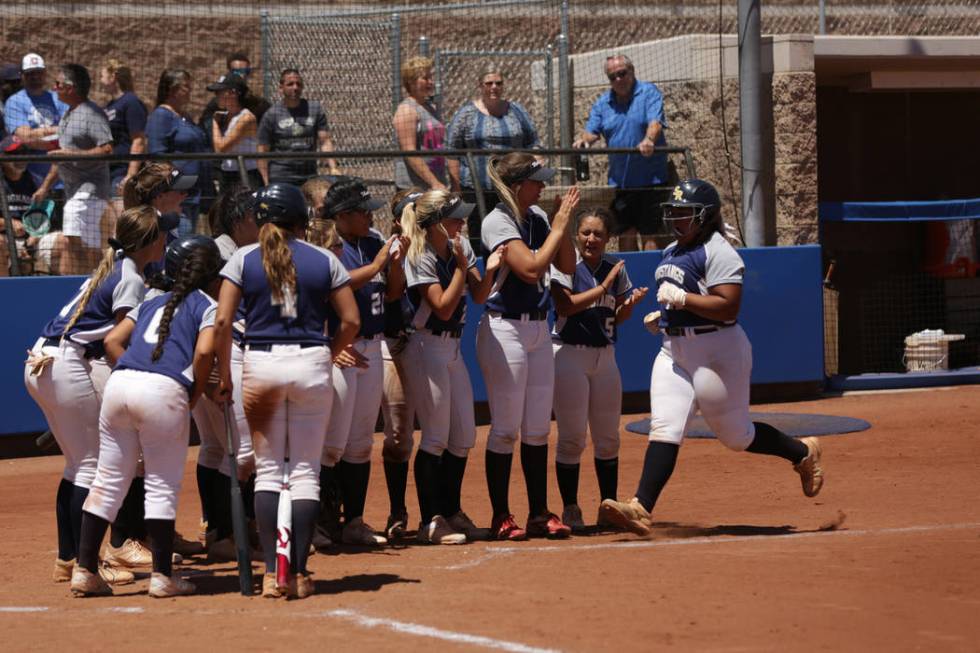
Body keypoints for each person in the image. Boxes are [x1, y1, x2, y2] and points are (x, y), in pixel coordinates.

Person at [599, 179, 825, 536]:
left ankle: (801, 452)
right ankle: (641, 506)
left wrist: (684, 302)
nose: (675, 220)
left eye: (683, 214)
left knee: (736, 436)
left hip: (718, 353)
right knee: (665, 425)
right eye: (672, 212)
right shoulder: (670, 250)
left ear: (704, 218)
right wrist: (667, 318)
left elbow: (727, 306)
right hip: (674, 351)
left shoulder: (720, 252)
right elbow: (682, 297)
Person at [214, 183, 359, 599]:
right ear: (300, 219)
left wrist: (225, 374)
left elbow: (223, 323)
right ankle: (296, 572)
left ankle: (269, 572)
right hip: (311, 361)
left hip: (260, 363)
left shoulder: (242, 258)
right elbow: (350, 322)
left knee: (269, 471)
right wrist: (328, 355)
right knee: (304, 473)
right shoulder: (324, 258)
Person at [70, 235, 222, 598]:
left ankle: (84, 570)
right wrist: (195, 392)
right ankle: (162, 577)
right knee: (161, 485)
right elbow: (203, 354)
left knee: (107, 481)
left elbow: (111, 342)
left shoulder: (152, 301)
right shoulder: (208, 305)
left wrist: (136, 374)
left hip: (121, 384)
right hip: (164, 391)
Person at [24, 205, 164, 591]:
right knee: (89, 467)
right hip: (65, 364)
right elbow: (117, 342)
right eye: (161, 233)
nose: (166, 238)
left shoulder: (115, 266)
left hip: (42, 361)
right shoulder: (131, 278)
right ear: (151, 242)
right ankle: (88, 563)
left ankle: (68, 560)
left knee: (76, 466)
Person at [476, 152, 578, 540]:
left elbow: (566, 266)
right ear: (517, 185)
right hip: (505, 330)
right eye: (537, 181)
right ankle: (501, 516)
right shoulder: (496, 220)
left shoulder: (536, 220)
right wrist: (559, 226)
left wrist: (559, 227)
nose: (543, 186)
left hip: (538, 328)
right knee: (505, 428)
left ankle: (540, 512)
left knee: (537, 428)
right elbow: (531, 268)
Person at [400, 190, 505, 544]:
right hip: (425, 346)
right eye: (455, 218)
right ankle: (431, 521)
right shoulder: (419, 255)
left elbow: (478, 295)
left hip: (452, 348)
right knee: (435, 437)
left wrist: (486, 271)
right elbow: (443, 307)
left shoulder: (461, 247)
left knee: (463, 437)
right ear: (433, 224)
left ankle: (451, 511)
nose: (462, 223)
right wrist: (462, 267)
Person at [319, 177, 407, 547]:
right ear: (342, 216)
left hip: (371, 347)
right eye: (362, 213)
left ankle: (353, 521)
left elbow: (393, 294)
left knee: (359, 443)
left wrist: (395, 264)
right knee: (332, 443)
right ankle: (322, 524)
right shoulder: (329, 248)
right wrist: (377, 265)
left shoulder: (373, 243)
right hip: (340, 349)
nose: (370, 218)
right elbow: (330, 287)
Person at [550, 207, 648, 532]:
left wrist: (628, 307)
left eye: (598, 234)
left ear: (608, 239)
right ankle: (570, 507)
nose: (591, 239)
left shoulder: (614, 269)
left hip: (605, 356)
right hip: (569, 354)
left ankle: (609, 506)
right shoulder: (567, 264)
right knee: (573, 438)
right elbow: (565, 306)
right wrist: (604, 287)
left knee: (608, 438)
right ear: (576, 235)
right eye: (585, 233)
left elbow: (615, 317)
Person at [573, 54, 671, 252]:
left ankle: (651, 276)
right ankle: (627, 278)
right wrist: (583, 140)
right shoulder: (603, 103)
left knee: (649, 233)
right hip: (622, 183)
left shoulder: (648, 93)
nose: (618, 80)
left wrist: (649, 140)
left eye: (622, 73)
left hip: (650, 181)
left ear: (632, 71)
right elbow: (592, 131)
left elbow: (655, 122)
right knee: (625, 232)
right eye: (612, 77)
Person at [32, 64, 113, 276]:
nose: (54, 87)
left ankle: (70, 284)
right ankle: (98, 283)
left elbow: (107, 148)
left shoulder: (91, 113)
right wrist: (44, 188)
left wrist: (71, 155)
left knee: (72, 229)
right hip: (74, 190)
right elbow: (61, 159)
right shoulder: (68, 114)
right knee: (91, 244)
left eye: (58, 84)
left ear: (70, 88)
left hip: (92, 190)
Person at [446, 67, 540, 243]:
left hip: (512, 185)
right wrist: (456, 187)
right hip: (477, 187)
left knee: (513, 226)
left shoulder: (516, 111)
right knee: (479, 230)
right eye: (489, 83)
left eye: (498, 83)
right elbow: (452, 151)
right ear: (480, 86)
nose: (494, 87)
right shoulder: (466, 114)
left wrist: (534, 173)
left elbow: (533, 143)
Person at [146, 69, 209, 237]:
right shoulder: (161, 116)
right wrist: (179, 185)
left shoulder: (185, 116)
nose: (190, 91)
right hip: (176, 198)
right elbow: (157, 158)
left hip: (193, 195)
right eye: (186, 87)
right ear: (172, 90)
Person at [257, 69, 339, 187]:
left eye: (298, 84)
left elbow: (325, 141)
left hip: (309, 175)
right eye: (290, 84)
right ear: (281, 88)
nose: (295, 87)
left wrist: (333, 167)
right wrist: (265, 182)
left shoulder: (314, 109)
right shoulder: (271, 114)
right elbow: (262, 150)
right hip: (281, 176)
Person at [3, 53, 67, 188]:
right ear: (22, 75)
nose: (35, 77)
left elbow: (74, 132)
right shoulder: (15, 102)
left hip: (65, 177)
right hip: (33, 180)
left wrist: (38, 136)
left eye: (39, 72)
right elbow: (25, 137)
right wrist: (58, 134)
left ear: (45, 73)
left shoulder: (59, 99)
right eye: (30, 73)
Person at [393, 56, 446, 191]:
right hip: (415, 189)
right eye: (425, 78)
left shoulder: (430, 107)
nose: (430, 82)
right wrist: (434, 183)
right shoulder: (407, 110)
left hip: (434, 185)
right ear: (411, 82)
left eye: (431, 77)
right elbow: (410, 152)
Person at [208, 73, 262, 193]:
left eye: (219, 92)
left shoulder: (246, 118)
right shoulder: (227, 116)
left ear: (233, 93)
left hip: (245, 176)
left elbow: (220, 149)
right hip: (228, 175)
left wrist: (215, 122)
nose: (216, 96)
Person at [100, 59, 147, 195]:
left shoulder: (131, 102)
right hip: (109, 172)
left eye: (102, 76)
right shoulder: (110, 106)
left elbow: (138, 140)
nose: (101, 81)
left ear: (113, 77)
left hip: (122, 174)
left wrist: (131, 175)